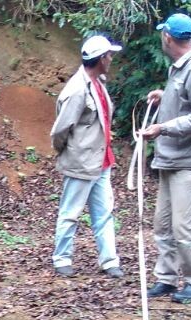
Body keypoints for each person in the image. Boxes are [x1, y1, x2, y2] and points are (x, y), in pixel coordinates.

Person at [139, 12, 191, 304]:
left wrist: (164, 128)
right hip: (171, 159)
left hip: (190, 161)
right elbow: (188, 101)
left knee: (184, 228)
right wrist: (166, 96)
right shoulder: (180, 67)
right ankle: (167, 278)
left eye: (163, 34)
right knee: (163, 225)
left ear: (168, 38)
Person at [49, 34, 125, 279]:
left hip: (101, 161)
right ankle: (62, 259)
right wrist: (69, 152)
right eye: (109, 55)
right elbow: (60, 129)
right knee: (70, 212)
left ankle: (110, 261)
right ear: (101, 58)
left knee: (104, 213)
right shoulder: (76, 90)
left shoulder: (98, 83)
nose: (111, 59)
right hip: (81, 162)